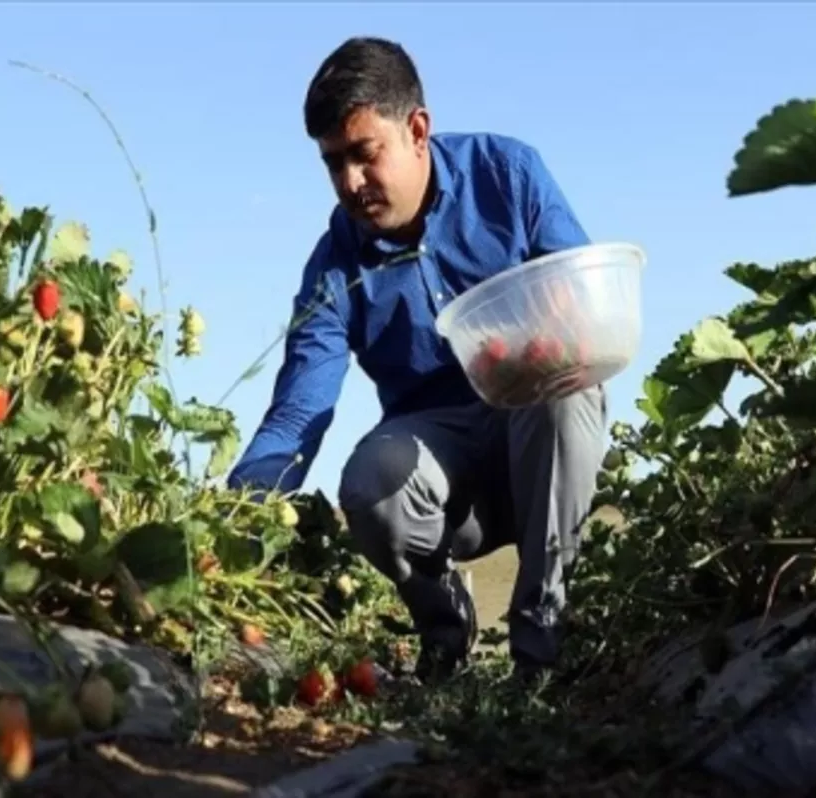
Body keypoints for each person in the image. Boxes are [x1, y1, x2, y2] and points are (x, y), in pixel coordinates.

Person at [227, 36, 608, 684]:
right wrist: (227, 529)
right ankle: (446, 638)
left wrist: (542, 340)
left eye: (363, 154)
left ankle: (542, 647)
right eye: (332, 163)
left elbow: (583, 317)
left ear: (418, 130)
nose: (350, 182)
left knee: (562, 388)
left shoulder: (507, 177)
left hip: (539, 446)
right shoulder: (335, 266)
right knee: (372, 480)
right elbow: (297, 416)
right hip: (445, 479)